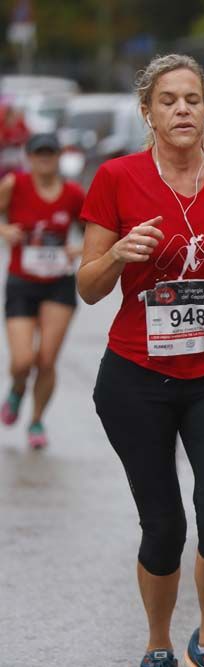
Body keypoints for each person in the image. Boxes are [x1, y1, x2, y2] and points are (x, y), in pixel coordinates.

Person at [77, 53, 204, 667]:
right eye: (168, 101)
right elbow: (86, 285)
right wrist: (118, 257)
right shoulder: (117, 178)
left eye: (192, 98)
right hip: (135, 377)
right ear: (148, 113)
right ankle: (158, 643)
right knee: (163, 525)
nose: (183, 109)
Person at [0, 132, 86, 449]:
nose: (44, 159)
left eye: (50, 153)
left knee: (47, 360)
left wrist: (77, 250)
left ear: (59, 156)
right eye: (39, 154)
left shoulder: (74, 194)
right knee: (23, 361)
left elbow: (96, 233)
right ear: (29, 157)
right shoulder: (15, 185)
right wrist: (5, 230)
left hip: (58, 284)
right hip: (22, 282)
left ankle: (36, 421)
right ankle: (17, 389)